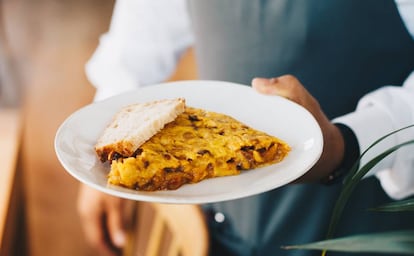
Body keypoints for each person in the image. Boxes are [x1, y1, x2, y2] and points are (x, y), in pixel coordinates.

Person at [77, 1, 414, 255]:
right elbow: (140, 36)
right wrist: (107, 141)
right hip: (223, 233)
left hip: (364, 233)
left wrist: (344, 145)